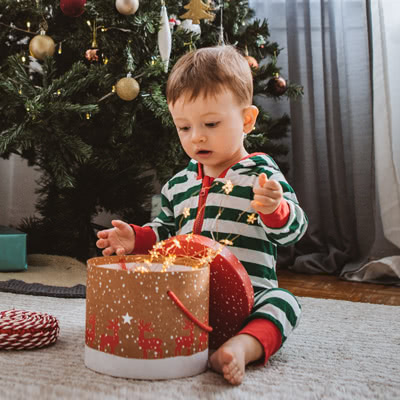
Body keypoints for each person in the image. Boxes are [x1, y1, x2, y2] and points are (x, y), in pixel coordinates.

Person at [96, 45, 308, 385]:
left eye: (210, 123)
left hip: (250, 297)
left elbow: (295, 232)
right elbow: (164, 231)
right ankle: (186, 337)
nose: (197, 137)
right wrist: (138, 238)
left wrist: (276, 210)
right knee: (142, 296)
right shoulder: (178, 185)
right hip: (187, 297)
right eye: (183, 127)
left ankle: (242, 346)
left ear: (247, 120)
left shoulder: (261, 173)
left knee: (285, 303)